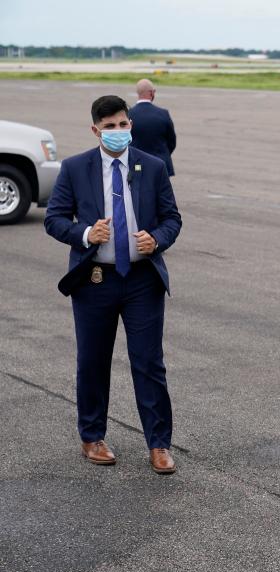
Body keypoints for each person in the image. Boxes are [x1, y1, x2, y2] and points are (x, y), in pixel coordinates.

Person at [44, 95, 183, 474]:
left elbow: (172, 218)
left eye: (123, 125)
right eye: (110, 127)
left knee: (149, 363)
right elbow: (54, 218)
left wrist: (157, 239)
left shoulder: (152, 167)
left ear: (131, 125)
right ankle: (92, 437)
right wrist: (87, 233)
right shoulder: (75, 168)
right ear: (95, 130)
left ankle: (159, 445)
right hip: (95, 281)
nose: (118, 132)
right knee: (92, 362)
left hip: (142, 281)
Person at [128, 79, 177, 176]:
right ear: (151, 92)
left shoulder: (129, 114)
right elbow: (172, 142)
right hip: (160, 164)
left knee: (139, 190)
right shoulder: (163, 114)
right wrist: (163, 153)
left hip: (138, 165)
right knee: (161, 190)